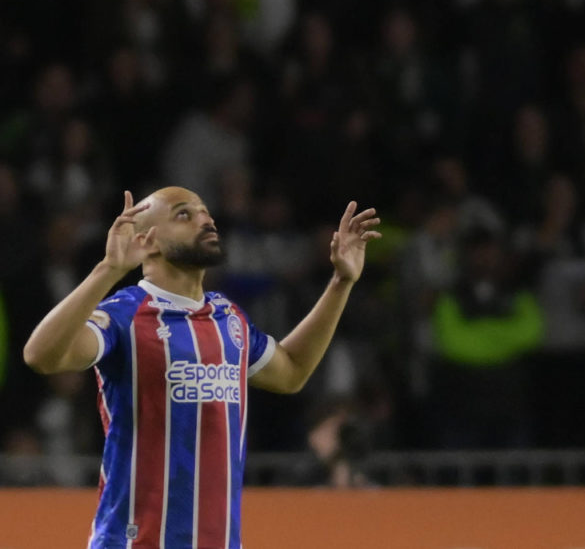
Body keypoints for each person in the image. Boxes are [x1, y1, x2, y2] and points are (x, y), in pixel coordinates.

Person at [23, 186, 380, 549]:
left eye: (205, 212)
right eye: (184, 214)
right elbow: (41, 355)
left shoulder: (229, 319)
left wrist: (341, 282)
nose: (206, 220)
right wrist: (108, 269)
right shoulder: (125, 313)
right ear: (149, 240)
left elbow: (291, 373)